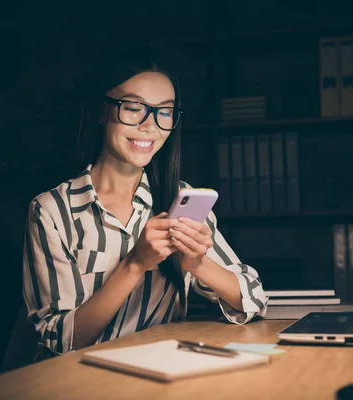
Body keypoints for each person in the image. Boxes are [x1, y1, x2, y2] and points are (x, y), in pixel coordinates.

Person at [22, 54, 268, 359]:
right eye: (134, 108)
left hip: (160, 372)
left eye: (165, 112)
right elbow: (60, 340)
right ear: (101, 111)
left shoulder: (179, 198)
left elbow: (254, 299)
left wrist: (196, 264)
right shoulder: (52, 211)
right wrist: (135, 263)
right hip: (81, 380)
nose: (150, 126)